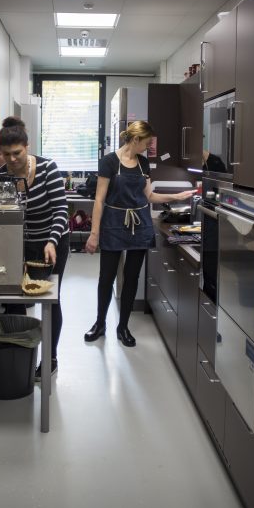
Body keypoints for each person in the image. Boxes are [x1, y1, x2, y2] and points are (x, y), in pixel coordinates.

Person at [85, 121, 195, 347]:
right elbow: (99, 199)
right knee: (106, 278)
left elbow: (150, 197)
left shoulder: (143, 163)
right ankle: (100, 323)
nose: (148, 147)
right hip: (113, 223)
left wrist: (176, 197)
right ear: (135, 140)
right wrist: (93, 233)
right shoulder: (109, 162)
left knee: (132, 278)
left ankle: (123, 326)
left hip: (140, 225)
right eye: (146, 143)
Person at [0, 116, 69, 379]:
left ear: (27, 146)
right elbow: (0, 215)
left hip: (52, 241)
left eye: (17, 153)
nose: (11, 159)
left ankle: (50, 359)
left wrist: (51, 240)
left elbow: (60, 210)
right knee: (14, 300)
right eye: (6, 154)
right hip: (19, 245)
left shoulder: (48, 168)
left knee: (49, 300)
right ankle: (19, 355)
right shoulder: (1, 176)